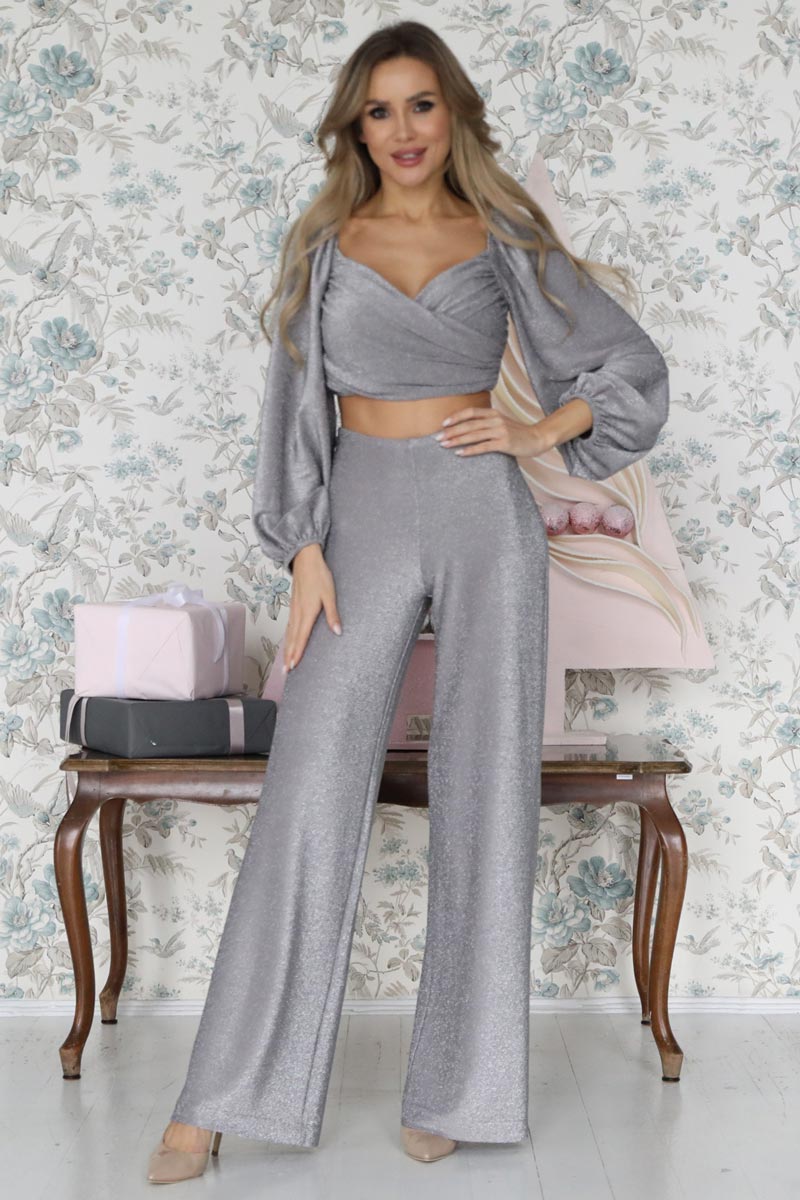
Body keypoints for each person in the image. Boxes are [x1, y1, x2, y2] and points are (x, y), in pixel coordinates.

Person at [146, 19, 669, 1185]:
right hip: (362, 514)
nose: (401, 130)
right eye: (378, 110)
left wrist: (534, 430)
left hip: (484, 510)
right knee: (307, 789)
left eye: (419, 104)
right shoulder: (326, 242)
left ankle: (455, 1090)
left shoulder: (503, 235)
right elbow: (291, 408)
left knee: (485, 792)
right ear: (355, 126)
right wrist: (303, 551)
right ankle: (214, 1100)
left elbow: (628, 368)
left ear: (452, 112)